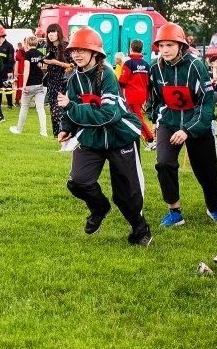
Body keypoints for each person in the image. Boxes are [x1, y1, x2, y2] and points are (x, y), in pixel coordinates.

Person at [57, 26, 152, 247]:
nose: (77, 54)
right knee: (78, 182)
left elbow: (108, 115)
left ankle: (140, 229)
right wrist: (66, 127)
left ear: (95, 52)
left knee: (126, 194)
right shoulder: (73, 78)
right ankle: (99, 208)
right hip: (92, 137)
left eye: (82, 50)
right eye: (74, 50)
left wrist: (72, 107)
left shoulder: (108, 74)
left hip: (120, 137)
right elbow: (70, 108)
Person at [148, 22, 217, 226]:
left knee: (206, 171)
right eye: (161, 46)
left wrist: (188, 130)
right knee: (164, 163)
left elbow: (206, 102)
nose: (165, 50)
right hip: (169, 122)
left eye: (170, 45)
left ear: (181, 46)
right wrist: (156, 118)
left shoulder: (196, 66)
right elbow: (154, 99)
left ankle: (213, 207)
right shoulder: (155, 68)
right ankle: (175, 212)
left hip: (197, 125)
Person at [44, 23, 76, 151]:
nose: (50, 35)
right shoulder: (49, 48)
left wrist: (56, 62)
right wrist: (44, 65)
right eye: (49, 32)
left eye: (53, 32)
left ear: (59, 33)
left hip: (64, 84)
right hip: (52, 84)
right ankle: (63, 143)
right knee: (54, 113)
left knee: (60, 113)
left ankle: (67, 141)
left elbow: (73, 66)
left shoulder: (66, 47)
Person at [119, 39, 155, 150]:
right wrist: (147, 97)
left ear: (131, 48)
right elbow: (149, 83)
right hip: (142, 96)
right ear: (142, 49)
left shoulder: (129, 63)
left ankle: (150, 140)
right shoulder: (146, 64)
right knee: (130, 118)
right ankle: (128, 137)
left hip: (131, 96)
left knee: (138, 120)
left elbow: (122, 82)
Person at [10, 36, 47, 136]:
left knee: (24, 107)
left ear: (27, 43)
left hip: (30, 84)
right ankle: (43, 132)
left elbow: (27, 70)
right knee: (40, 108)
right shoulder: (41, 54)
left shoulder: (27, 54)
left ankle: (19, 129)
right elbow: (44, 67)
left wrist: (24, 85)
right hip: (41, 83)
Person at [0, 25, 15, 109]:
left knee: (8, 87)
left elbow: (11, 59)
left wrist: (10, 71)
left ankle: (9, 104)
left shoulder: (9, 46)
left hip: (6, 69)